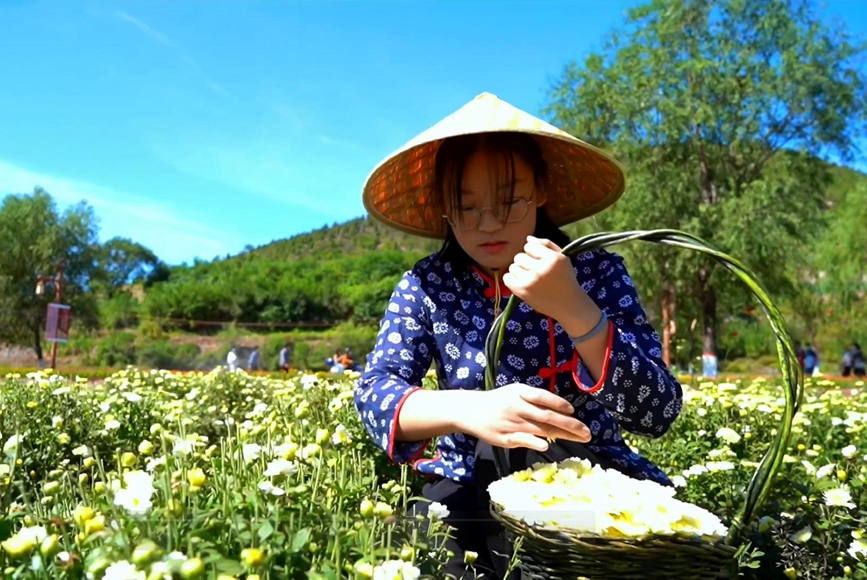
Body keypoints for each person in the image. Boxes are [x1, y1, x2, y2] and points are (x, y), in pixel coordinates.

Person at [352, 93, 684, 580]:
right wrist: (470, 409)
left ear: (542, 190)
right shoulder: (427, 284)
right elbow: (374, 390)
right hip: (468, 484)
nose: (487, 225)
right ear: (444, 207)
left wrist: (573, 305)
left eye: (509, 202)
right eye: (465, 208)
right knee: (429, 549)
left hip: (590, 478)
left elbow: (659, 409)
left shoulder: (594, 271)